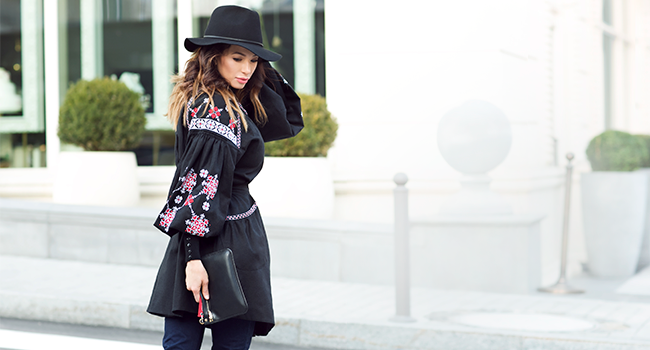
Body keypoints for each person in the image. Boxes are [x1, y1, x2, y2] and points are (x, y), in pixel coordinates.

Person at [146, 5, 303, 350]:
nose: (247, 69)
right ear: (214, 56)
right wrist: (192, 260)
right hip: (209, 240)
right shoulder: (216, 109)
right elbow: (199, 190)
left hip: (223, 236)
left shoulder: (230, 102)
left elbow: (287, 117)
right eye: (237, 58)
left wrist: (256, 64)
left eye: (253, 60)